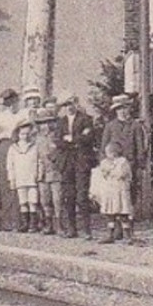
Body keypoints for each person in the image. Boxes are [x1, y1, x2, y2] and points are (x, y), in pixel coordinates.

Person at [93, 94, 144, 243]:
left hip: (129, 167)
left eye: (125, 108)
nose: (123, 111)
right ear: (115, 111)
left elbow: (140, 147)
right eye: (119, 109)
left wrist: (139, 165)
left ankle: (129, 232)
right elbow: (103, 147)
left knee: (128, 199)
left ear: (129, 109)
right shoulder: (110, 126)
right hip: (112, 168)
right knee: (112, 198)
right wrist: (104, 165)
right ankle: (115, 230)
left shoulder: (135, 125)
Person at [58, 95, 98, 239]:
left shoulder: (86, 119)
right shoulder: (61, 122)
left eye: (71, 103)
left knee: (82, 196)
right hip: (67, 161)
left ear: (76, 103)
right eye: (66, 104)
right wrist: (75, 140)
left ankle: (86, 229)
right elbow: (58, 141)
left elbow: (88, 138)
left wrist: (71, 139)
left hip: (81, 160)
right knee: (69, 196)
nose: (69, 107)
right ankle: (71, 228)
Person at [0, 89, 26, 229]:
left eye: (13, 102)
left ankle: (20, 220)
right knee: (5, 181)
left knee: (19, 180)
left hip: (19, 145)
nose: (11, 105)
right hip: (4, 146)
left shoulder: (24, 114)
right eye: (8, 103)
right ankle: (6, 220)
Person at [34, 97, 65, 235]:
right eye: (42, 123)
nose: (45, 126)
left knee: (57, 198)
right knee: (44, 199)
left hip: (55, 170)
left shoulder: (57, 136)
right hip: (42, 171)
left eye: (47, 123)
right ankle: (48, 224)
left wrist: (55, 156)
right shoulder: (36, 138)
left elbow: (62, 151)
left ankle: (59, 224)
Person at [7, 115, 42, 232]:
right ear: (18, 134)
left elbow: (39, 161)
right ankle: (24, 223)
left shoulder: (34, 146)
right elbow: (10, 165)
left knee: (33, 201)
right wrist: (11, 179)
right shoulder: (13, 148)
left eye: (27, 134)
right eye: (22, 134)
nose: (25, 136)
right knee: (23, 201)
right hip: (20, 177)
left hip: (32, 177)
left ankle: (33, 224)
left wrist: (39, 174)